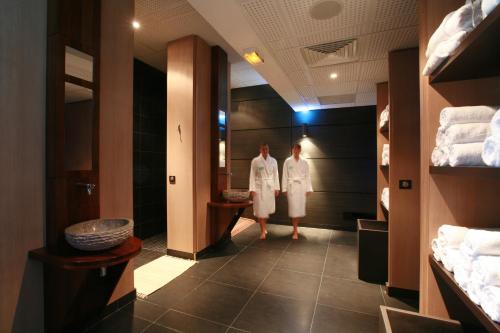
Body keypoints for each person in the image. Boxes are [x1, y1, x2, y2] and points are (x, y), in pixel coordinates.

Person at [249, 143, 280, 240]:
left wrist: (277, 188)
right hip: (259, 188)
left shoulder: (273, 161)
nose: (265, 151)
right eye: (263, 149)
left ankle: (264, 227)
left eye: (267, 149)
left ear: (268, 149)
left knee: (265, 210)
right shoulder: (255, 161)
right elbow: (252, 175)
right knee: (260, 209)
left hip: (269, 188)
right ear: (260, 150)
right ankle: (262, 231)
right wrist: (252, 189)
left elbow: (276, 175)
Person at [282, 143, 313, 240]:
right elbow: (285, 175)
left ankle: (295, 227)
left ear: (300, 150)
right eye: (294, 149)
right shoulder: (287, 161)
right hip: (292, 188)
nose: (296, 151)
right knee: (294, 209)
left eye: (298, 150)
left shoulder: (304, 162)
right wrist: (284, 188)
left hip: (301, 188)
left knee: (299, 210)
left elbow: (308, 175)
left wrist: (309, 188)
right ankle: (295, 230)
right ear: (292, 150)